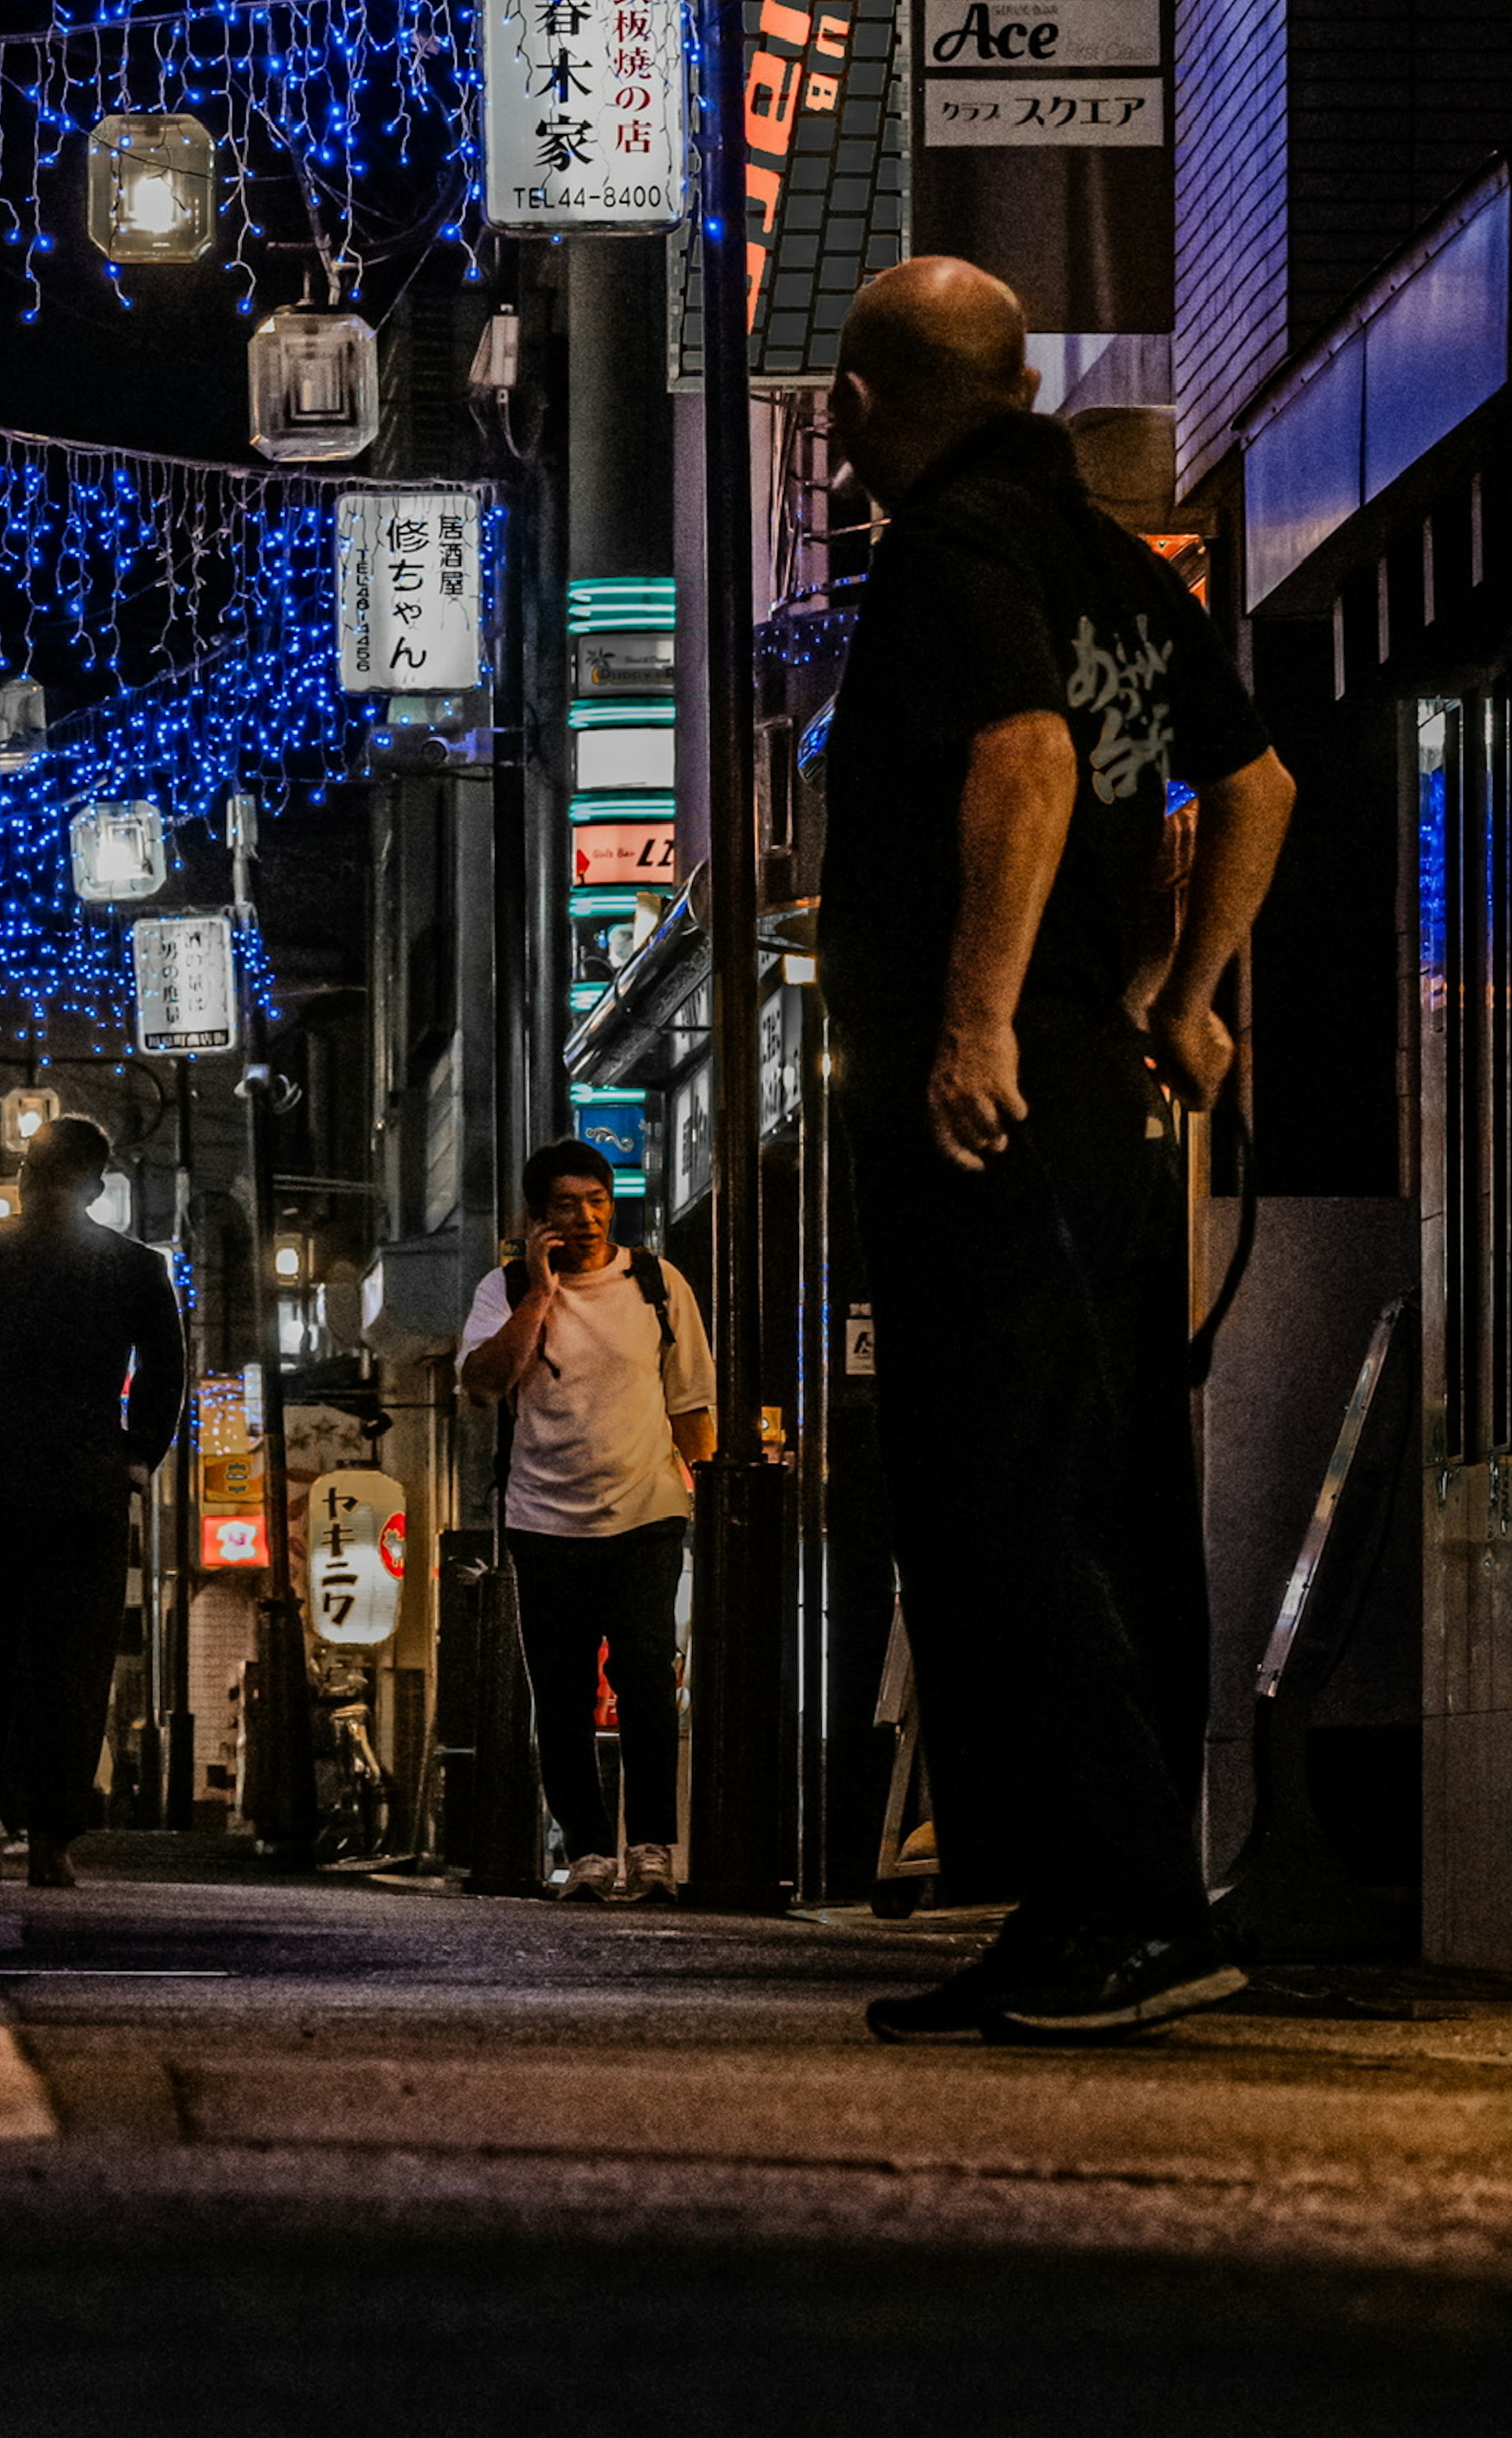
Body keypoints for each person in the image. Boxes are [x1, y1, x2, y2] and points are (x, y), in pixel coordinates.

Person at [818, 257, 1294, 2046]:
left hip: (996, 1112)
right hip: (1097, 1096)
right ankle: (1091, 1910)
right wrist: (1180, 998)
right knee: (1105, 1492)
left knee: (1002, 1493)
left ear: (862, 411)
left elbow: (1020, 762)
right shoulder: (1105, 552)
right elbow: (1256, 787)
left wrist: (975, 1022)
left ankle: (1125, 1907)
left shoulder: (951, 557)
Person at [0, 1113, 186, 1888]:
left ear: (24, 1174)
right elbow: (167, 1371)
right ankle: (53, 1837)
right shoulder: (134, 1267)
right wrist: (135, 1457)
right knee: (71, 1668)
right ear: (98, 1185)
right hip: (84, 1489)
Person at [459, 1138, 716, 1900]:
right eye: (567, 1206)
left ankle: (654, 1850)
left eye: (599, 1200)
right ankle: (590, 1850)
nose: (588, 1218)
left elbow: (692, 1404)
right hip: (543, 1519)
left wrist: (706, 1494)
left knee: (645, 1676)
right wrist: (539, 1291)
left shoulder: (657, 1282)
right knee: (563, 1692)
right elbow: (485, 1382)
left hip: (647, 1514)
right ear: (537, 1219)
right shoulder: (504, 1289)